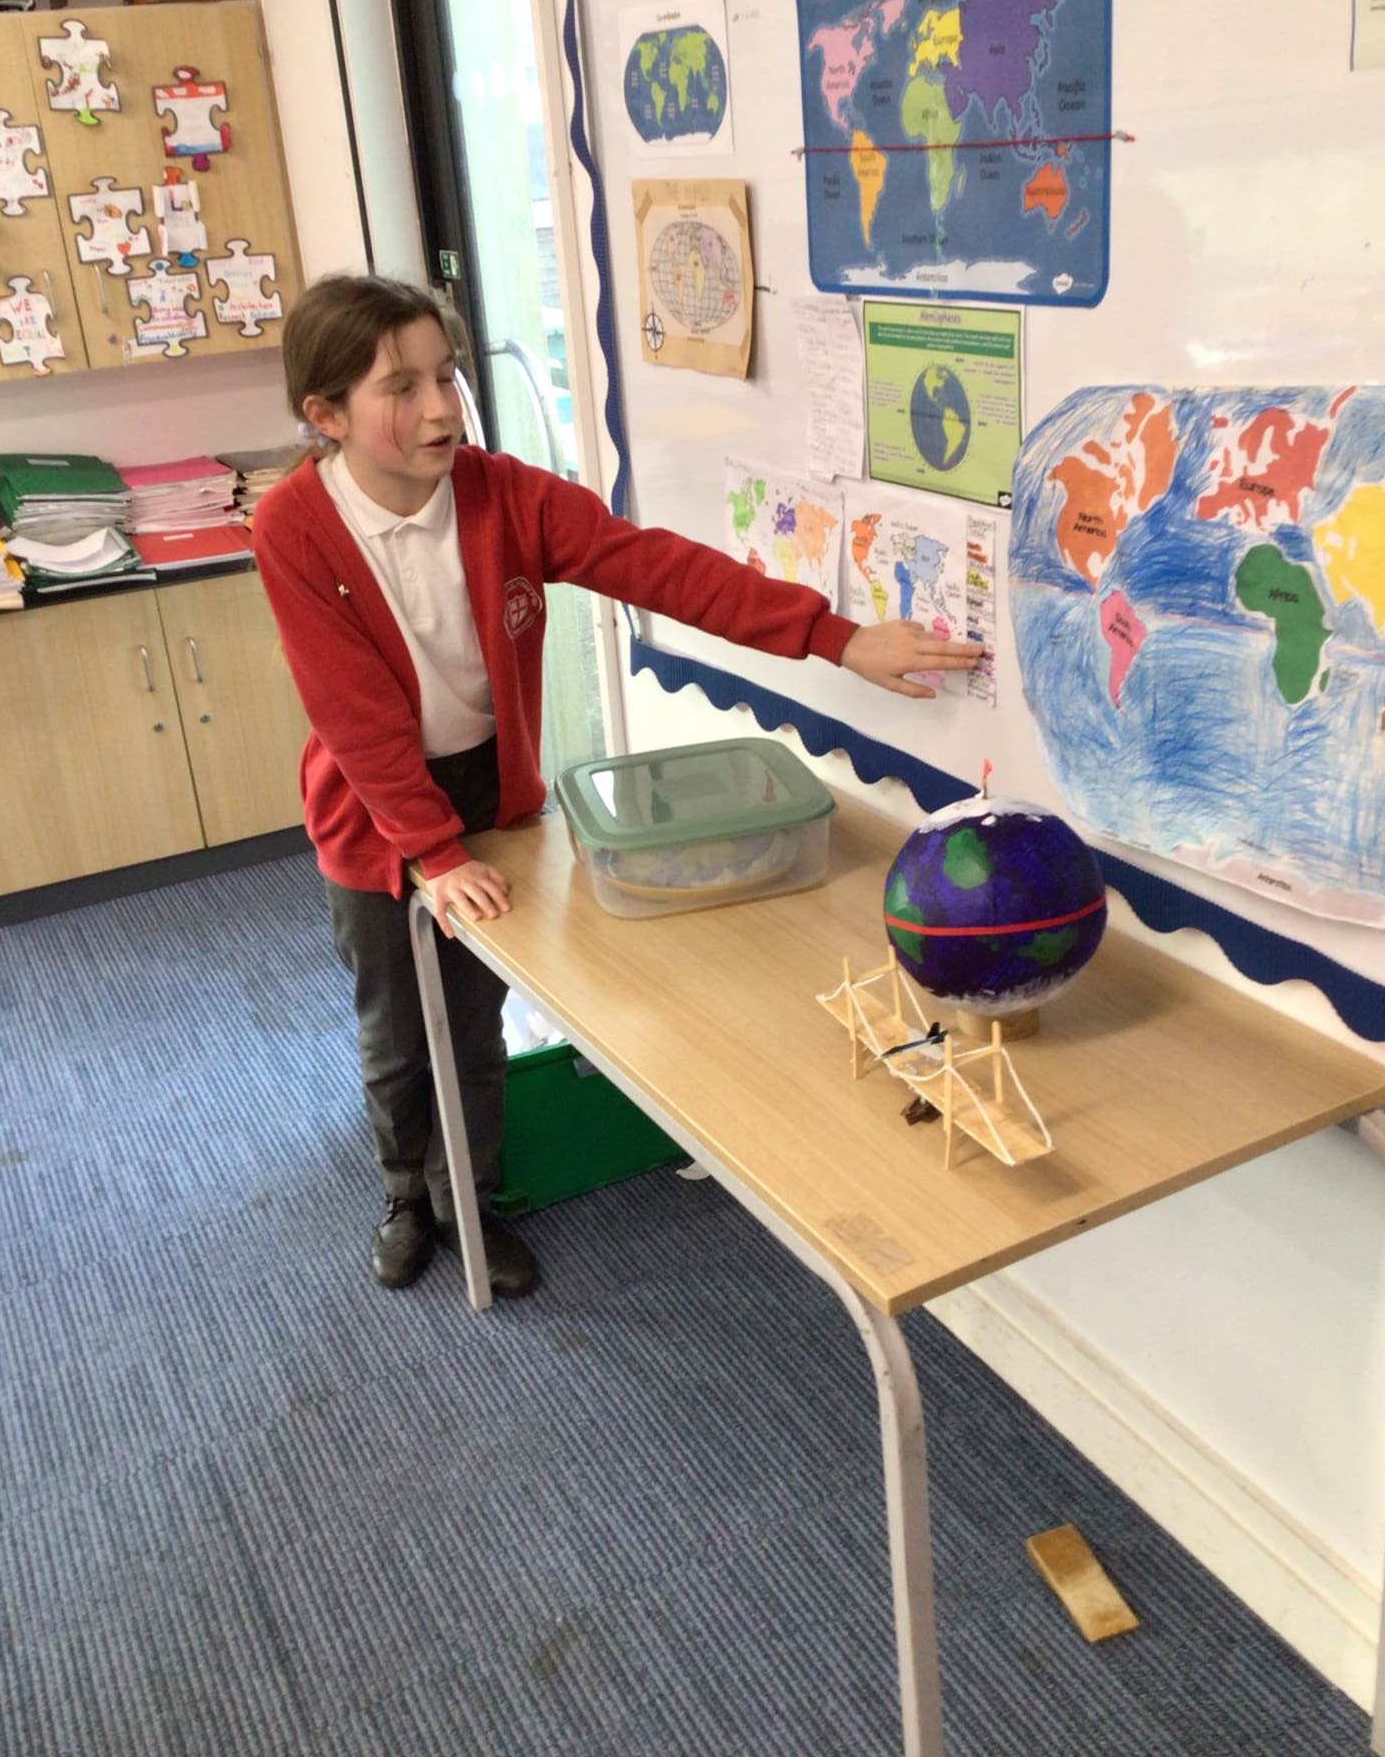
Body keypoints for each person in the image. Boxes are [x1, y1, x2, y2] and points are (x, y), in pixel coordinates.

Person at [253, 273, 981, 1301]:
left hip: (488, 797)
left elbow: (661, 569)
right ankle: (404, 1194)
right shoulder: (293, 525)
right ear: (325, 415)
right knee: (396, 1029)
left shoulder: (504, 494)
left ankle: (470, 1200)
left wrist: (835, 636)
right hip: (376, 813)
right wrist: (430, 851)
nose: (440, 407)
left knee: (472, 1016)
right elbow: (353, 713)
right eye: (400, 387)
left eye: (446, 375)